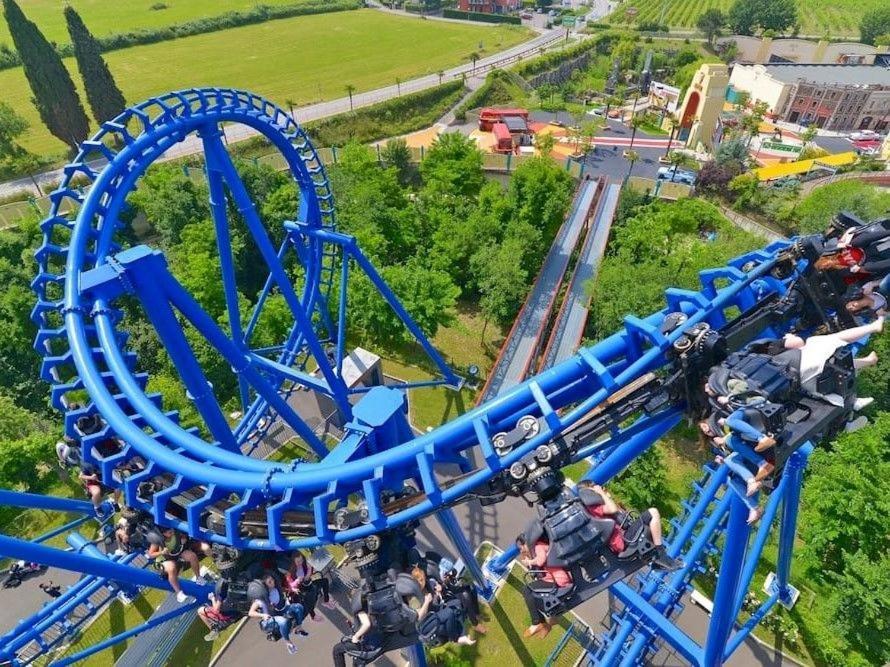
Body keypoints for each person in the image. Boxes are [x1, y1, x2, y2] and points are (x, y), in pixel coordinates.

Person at [777, 318, 882, 408]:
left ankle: (853, 401)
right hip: (804, 367)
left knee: (831, 365)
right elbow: (798, 343)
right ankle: (874, 327)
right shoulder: (766, 346)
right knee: (829, 339)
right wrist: (790, 338)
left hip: (806, 385)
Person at [575, 481, 681, 571]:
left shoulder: (592, 509)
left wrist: (605, 496)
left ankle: (656, 558)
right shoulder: (593, 509)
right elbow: (613, 509)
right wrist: (601, 493)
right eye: (593, 488)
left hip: (623, 536)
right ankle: (660, 553)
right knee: (652, 512)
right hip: (623, 541)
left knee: (650, 524)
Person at [516, 534, 572, 639]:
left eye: (522, 547)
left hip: (557, 580)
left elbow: (541, 560)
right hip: (552, 579)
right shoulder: (539, 548)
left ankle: (538, 622)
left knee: (527, 589)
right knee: (533, 597)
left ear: (526, 543)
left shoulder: (538, 546)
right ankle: (548, 620)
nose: (522, 550)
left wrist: (529, 561)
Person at [248, 572, 307, 655]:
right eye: (269, 582)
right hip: (270, 618)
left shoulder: (276, 589)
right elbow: (251, 613)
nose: (272, 582)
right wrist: (263, 615)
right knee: (283, 622)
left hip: (281, 610)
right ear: (265, 585)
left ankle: (299, 628)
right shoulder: (261, 599)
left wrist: (292, 589)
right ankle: (288, 642)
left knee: (298, 607)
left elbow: (284, 589)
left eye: (272, 580)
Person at [145, 527, 207, 603]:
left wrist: (184, 539)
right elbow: (150, 554)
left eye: (172, 531)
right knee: (171, 567)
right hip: (164, 559)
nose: (172, 533)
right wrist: (161, 552)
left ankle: (198, 577)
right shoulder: (158, 541)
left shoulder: (175, 532)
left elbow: (183, 535)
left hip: (177, 553)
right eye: (169, 533)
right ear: (163, 534)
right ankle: (179, 593)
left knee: (192, 556)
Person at [283, 550, 334, 623]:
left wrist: (309, 569)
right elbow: (290, 585)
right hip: (301, 589)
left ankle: (326, 601)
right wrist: (297, 580)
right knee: (308, 600)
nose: (300, 563)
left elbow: (309, 575)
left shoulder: (304, 565)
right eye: (298, 562)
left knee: (325, 581)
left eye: (301, 560)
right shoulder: (291, 572)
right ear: (293, 562)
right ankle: (313, 616)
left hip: (309, 584)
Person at [442, 568, 486, 635]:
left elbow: (452, 569)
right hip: (445, 590)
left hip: (450, 580)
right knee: (465, 597)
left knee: (471, 589)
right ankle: (475, 624)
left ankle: (476, 613)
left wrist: (450, 574)